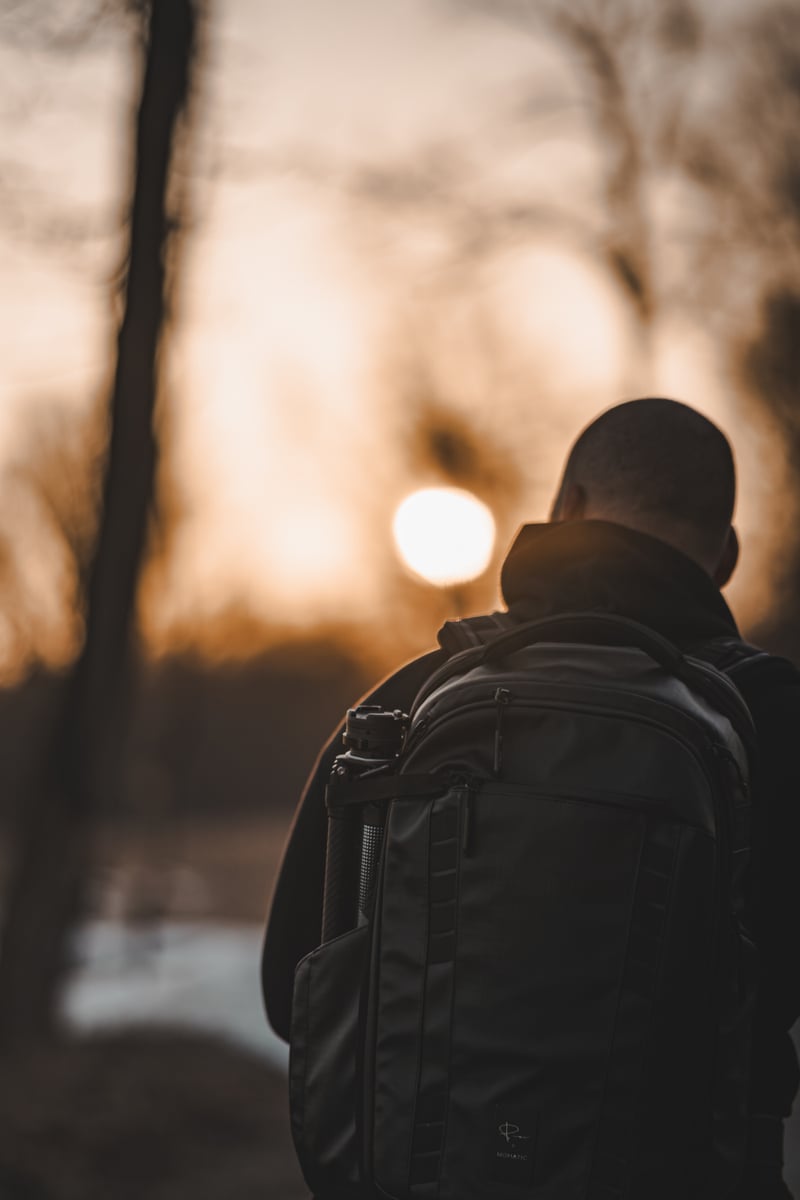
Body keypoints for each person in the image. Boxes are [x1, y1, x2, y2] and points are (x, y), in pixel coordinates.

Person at [262, 396, 800, 1198]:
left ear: (565, 510)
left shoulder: (411, 699)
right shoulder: (774, 715)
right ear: (725, 555)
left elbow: (290, 993)